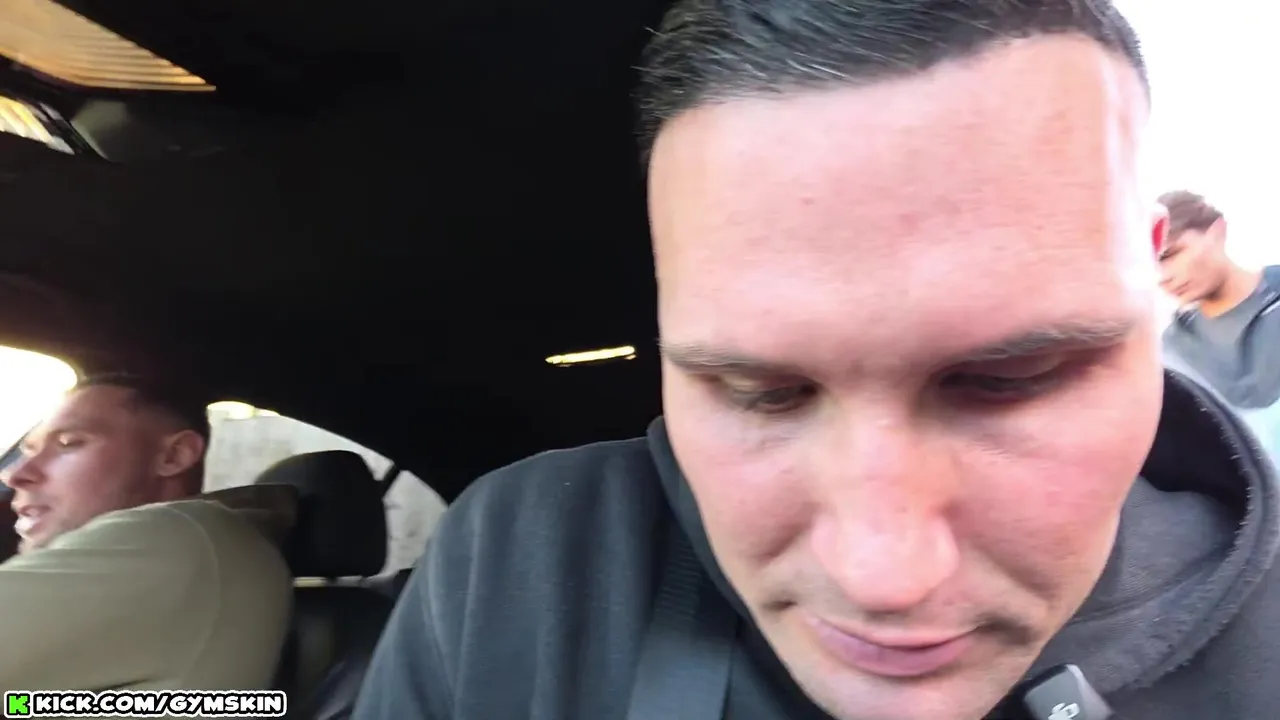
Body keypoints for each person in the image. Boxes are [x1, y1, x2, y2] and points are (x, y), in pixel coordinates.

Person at [354, 1, 1280, 719]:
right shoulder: (518, 567)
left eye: (1010, 382)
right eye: (758, 392)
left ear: (1146, 273)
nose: (883, 578)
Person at [0, 373, 295, 690]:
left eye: (69, 443)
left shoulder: (170, 539)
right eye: (30, 450)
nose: (15, 475)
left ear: (174, 456)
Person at [1156, 190, 1280, 455]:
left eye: (1170, 255)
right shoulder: (1172, 355)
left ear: (1217, 231)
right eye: (1151, 267)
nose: (1162, 277)